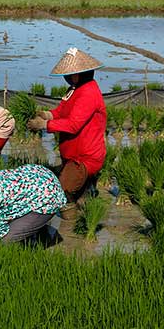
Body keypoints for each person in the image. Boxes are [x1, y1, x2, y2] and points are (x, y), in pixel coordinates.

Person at [26, 47, 107, 215]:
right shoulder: (74, 89)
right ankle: (85, 200)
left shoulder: (88, 93)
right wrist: (48, 115)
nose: (66, 78)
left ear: (79, 73)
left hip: (84, 157)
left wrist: (45, 125)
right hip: (72, 153)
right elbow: (62, 111)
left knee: (63, 192)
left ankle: (72, 227)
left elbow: (73, 124)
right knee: (76, 191)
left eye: (69, 74)